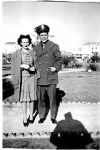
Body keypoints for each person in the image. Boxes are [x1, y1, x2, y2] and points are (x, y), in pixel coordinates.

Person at [34, 24, 63, 124]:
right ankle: (42, 116)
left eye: (45, 34)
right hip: (40, 76)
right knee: (41, 98)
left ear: (48, 35)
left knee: (52, 99)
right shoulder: (35, 47)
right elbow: (33, 60)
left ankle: (53, 117)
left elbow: (59, 59)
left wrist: (56, 67)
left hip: (51, 75)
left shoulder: (54, 46)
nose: (44, 37)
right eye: (41, 35)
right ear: (39, 36)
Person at [11, 34, 40, 127]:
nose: (25, 44)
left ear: (29, 42)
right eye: (23, 42)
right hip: (22, 78)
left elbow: (37, 65)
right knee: (24, 99)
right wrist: (22, 66)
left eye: (27, 42)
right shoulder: (16, 54)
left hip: (32, 78)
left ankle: (31, 116)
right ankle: (24, 117)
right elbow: (13, 67)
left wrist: (34, 68)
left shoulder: (33, 53)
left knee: (31, 98)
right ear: (20, 43)